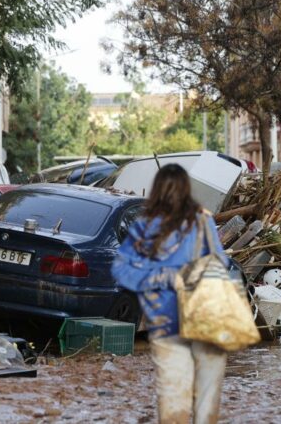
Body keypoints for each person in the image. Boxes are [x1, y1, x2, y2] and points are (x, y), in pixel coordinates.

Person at [111, 164, 230, 424]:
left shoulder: (144, 226)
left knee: (173, 392)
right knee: (207, 394)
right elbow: (221, 262)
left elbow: (121, 270)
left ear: (157, 190)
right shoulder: (203, 220)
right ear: (187, 189)